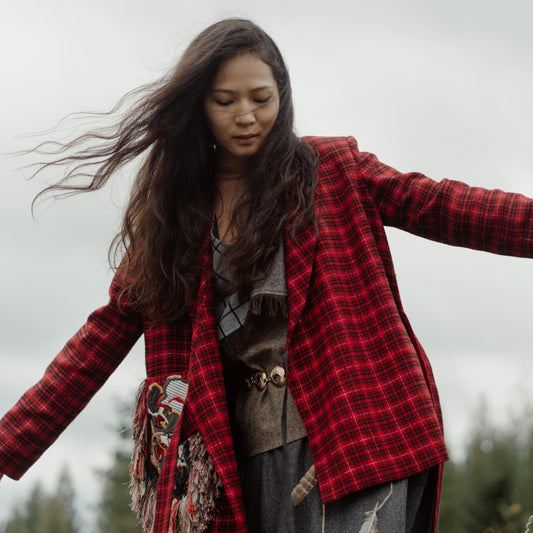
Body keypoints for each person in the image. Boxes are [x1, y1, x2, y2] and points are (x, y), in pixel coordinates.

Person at [0, 18, 532, 533]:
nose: (246, 116)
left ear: (283, 95)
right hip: (244, 457)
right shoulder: (175, 223)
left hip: (356, 428)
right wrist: (8, 444)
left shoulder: (331, 171)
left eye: (261, 97)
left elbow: (442, 205)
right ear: (199, 108)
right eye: (225, 101)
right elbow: (98, 340)